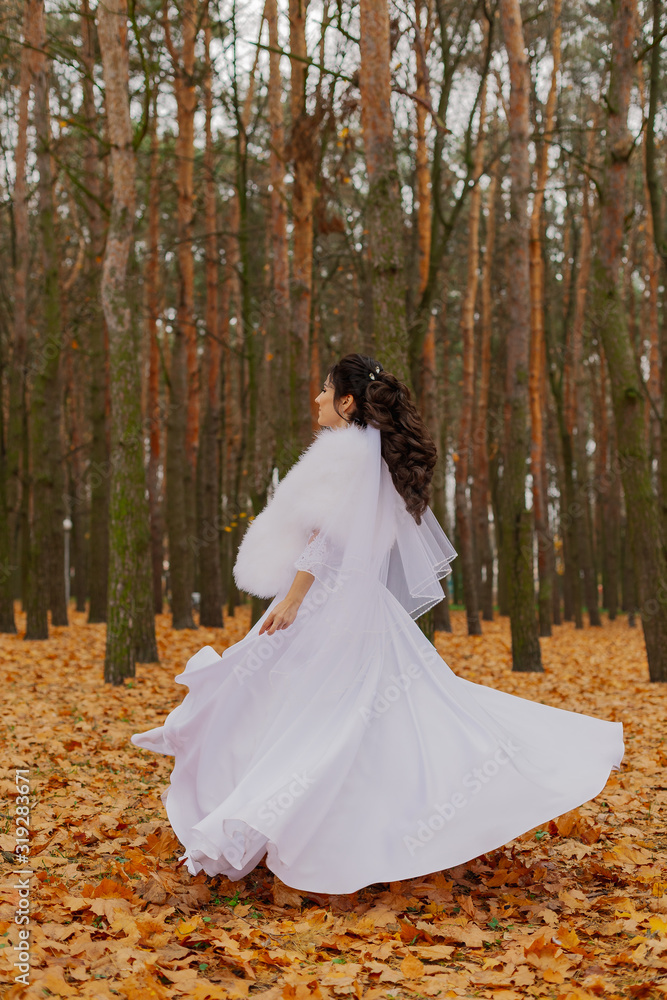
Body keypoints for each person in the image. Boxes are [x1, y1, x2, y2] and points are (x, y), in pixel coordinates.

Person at [131, 353, 623, 894]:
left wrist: (292, 602)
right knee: (365, 716)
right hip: (363, 608)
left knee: (304, 713)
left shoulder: (344, 456)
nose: (316, 398)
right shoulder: (377, 459)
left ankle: (263, 819)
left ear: (346, 401)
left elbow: (325, 540)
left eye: (324, 390)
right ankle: (338, 827)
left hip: (329, 606)